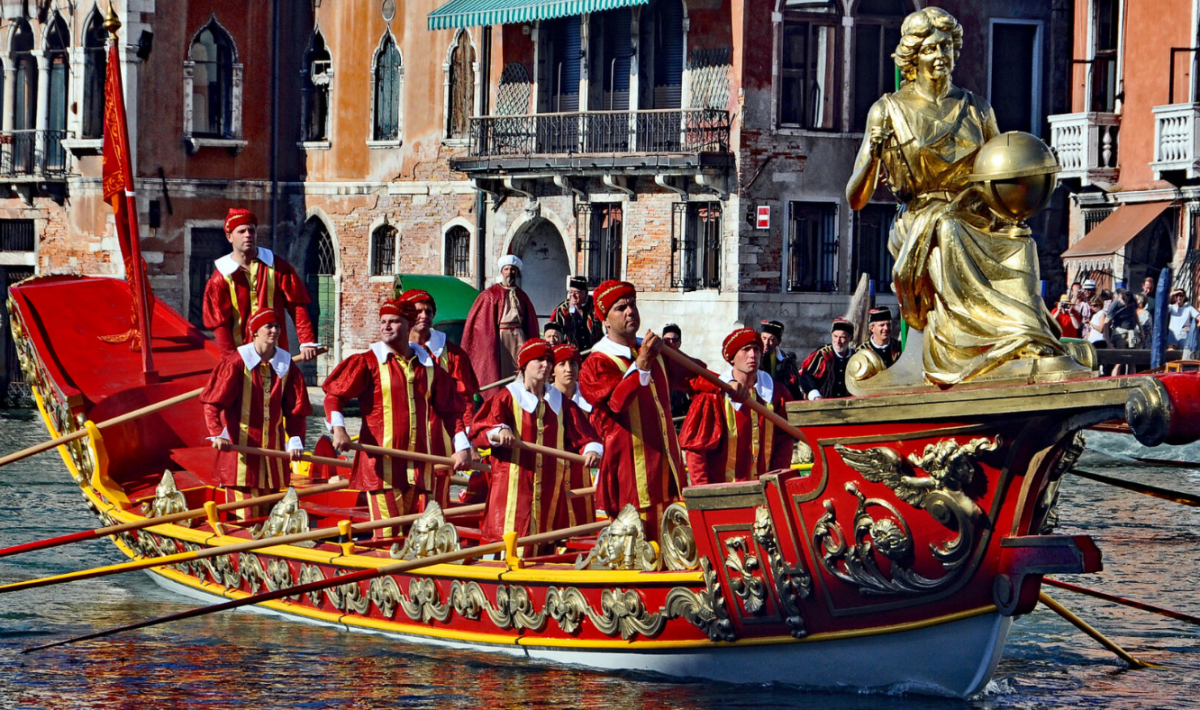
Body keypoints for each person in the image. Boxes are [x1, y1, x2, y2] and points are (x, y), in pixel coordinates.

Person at [846, 7, 1067, 386]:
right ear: (914, 57)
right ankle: (965, 350)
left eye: (947, 47)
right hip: (921, 216)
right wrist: (874, 156)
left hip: (976, 211)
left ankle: (1024, 337)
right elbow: (856, 198)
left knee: (1019, 242)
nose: (941, 56)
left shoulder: (977, 108)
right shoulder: (888, 111)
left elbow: (997, 171)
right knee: (948, 230)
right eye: (932, 48)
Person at [322, 299, 473, 539]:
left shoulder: (429, 368)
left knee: (412, 534)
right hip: (381, 468)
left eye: (393, 321)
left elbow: (451, 411)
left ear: (409, 324)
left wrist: (462, 447)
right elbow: (334, 397)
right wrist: (338, 428)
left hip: (418, 467)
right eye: (383, 322)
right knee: (388, 534)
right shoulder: (367, 362)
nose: (386, 327)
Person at [579, 280, 696, 540]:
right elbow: (616, 403)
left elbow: (693, 375)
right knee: (636, 545)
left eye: (632, 305)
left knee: (675, 536)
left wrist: (732, 380)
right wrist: (642, 362)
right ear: (605, 321)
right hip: (629, 472)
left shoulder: (657, 352)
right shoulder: (597, 362)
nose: (630, 311)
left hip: (668, 467)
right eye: (621, 308)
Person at [474, 338, 602, 553]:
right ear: (524, 365)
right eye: (539, 360)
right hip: (513, 490)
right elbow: (480, 430)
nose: (546, 365)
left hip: (551, 489)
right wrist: (499, 431)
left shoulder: (560, 401)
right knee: (510, 537)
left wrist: (591, 449)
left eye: (549, 361)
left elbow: (585, 434)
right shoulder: (507, 397)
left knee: (547, 537)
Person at [202, 308, 311, 521]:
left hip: (275, 456)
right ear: (255, 332)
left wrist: (296, 439)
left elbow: (297, 408)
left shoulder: (286, 364)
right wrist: (217, 434)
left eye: (277, 326)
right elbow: (212, 403)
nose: (274, 330)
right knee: (246, 519)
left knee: (275, 520)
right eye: (268, 326)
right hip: (241, 455)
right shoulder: (236, 362)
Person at [679, 327, 795, 485]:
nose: (752, 355)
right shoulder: (713, 396)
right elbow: (696, 452)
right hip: (725, 495)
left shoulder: (778, 394)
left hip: (766, 493)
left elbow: (785, 443)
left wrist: (776, 483)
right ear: (732, 358)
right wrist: (703, 494)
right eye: (745, 350)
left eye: (756, 349)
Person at [400, 288, 481, 508]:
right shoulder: (392, 351)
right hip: (403, 436)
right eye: (418, 311)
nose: (424, 316)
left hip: (441, 436)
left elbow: (464, 401)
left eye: (428, 311)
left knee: (436, 502)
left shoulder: (453, 354)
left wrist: (465, 441)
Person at [202, 208, 319, 359]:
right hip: (242, 357)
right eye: (242, 231)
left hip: (277, 355)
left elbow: (296, 305)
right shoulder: (220, 277)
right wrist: (229, 359)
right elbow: (220, 325)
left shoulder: (277, 266)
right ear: (229, 237)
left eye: (251, 230)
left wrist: (307, 341)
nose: (248, 235)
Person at [462, 254, 540, 395]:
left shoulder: (522, 296)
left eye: (513, 269)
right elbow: (482, 324)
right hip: (501, 338)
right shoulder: (490, 295)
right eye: (507, 269)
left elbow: (530, 322)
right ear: (502, 271)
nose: (510, 272)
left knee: (521, 368)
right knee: (501, 372)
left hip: (519, 336)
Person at [551, 342, 596, 525]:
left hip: (581, 472)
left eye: (573, 364)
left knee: (582, 520)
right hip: (552, 471)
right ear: (552, 370)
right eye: (562, 364)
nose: (568, 369)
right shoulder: (542, 400)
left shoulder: (590, 398)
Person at [799, 319, 855, 400]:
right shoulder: (823, 355)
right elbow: (806, 376)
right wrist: (815, 396)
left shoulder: (855, 356)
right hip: (824, 403)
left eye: (842, 337)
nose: (838, 341)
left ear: (851, 338)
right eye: (835, 336)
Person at [550, 276, 604, 350]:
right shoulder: (562, 309)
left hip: (595, 351)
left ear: (586, 293)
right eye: (571, 292)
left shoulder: (596, 306)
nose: (573, 296)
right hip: (572, 354)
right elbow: (555, 332)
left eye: (576, 292)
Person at [759, 320, 804, 400]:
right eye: (764, 338)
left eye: (771, 340)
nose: (766, 343)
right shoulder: (754, 357)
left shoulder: (785, 361)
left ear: (778, 342)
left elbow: (793, 387)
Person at [662, 324, 692, 420]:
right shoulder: (655, 363)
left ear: (679, 343)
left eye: (674, 340)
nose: (671, 343)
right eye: (667, 340)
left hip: (680, 418)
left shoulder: (687, 365)